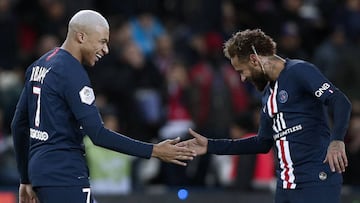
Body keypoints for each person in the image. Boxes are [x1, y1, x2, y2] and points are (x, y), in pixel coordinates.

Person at [11, 10, 196, 203]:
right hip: (65, 176)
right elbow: (98, 134)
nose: (106, 49)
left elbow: (18, 125)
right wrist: (154, 151)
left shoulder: (39, 66)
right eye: (102, 41)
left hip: (41, 174)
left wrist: (25, 178)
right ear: (81, 37)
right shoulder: (72, 73)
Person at [178, 29, 352, 203]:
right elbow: (262, 143)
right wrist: (210, 145)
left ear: (254, 60)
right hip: (285, 186)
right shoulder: (268, 95)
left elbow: (340, 101)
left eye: (241, 71)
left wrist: (337, 140)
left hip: (316, 181)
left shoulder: (300, 71)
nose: (243, 79)